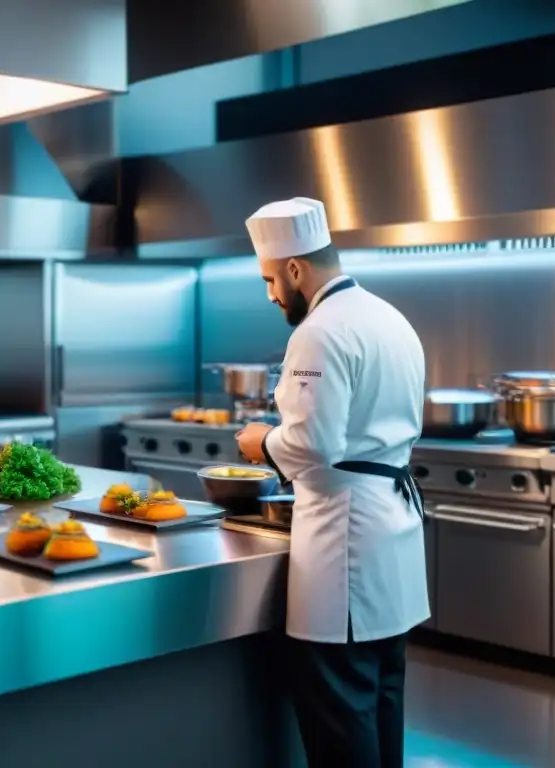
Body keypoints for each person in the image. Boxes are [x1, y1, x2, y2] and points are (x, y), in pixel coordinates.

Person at [235, 197, 429, 768]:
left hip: (346, 544)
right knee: (381, 701)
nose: (271, 294)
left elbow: (313, 445)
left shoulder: (319, 332)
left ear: (295, 269)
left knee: (340, 713)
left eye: (271, 279)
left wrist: (260, 442)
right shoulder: (390, 318)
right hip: (391, 531)